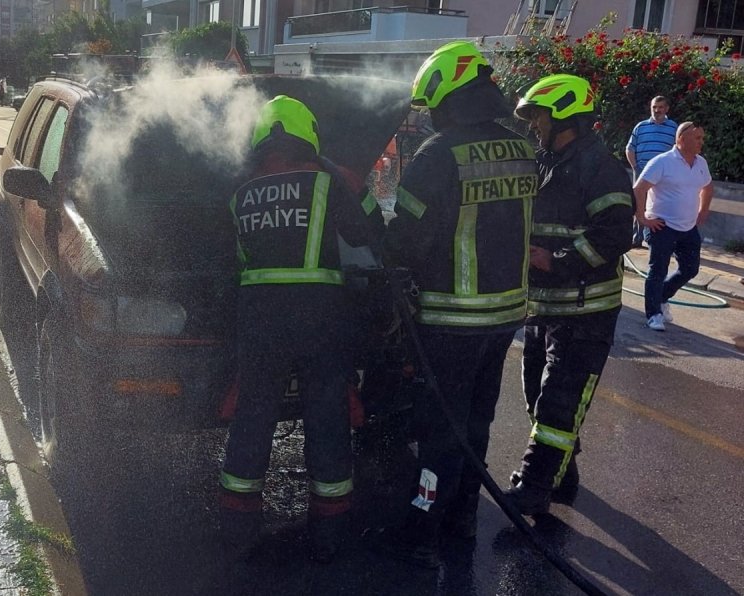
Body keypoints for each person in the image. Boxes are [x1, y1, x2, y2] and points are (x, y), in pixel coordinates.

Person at [373, 41, 537, 567]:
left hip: (451, 320)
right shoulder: (521, 148)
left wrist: (379, 243)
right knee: (478, 423)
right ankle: (463, 517)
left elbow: (408, 239)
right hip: (505, 316)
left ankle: (422, 523)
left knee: (439, 428)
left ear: (448, 95)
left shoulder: (438, 155)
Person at [219, 95, 370, 563]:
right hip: (322, 320)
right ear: (309, 135)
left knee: (253, 418)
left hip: (260, 322)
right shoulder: (331, 180)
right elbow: (368, 231)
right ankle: (331, 529)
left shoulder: (240, 192)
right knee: (326, 417)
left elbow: (237, 261)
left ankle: (238, 524)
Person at [505, 74, 633, 515]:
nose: (533, 125)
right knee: (537, 395)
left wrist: (557, 261)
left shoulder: (601, 167)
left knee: (559, 399)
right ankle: (563, 474)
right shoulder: (545, 162)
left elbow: (615, 234)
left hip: (587, 310)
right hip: (543, 306)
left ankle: (536, 485)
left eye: (538, 115)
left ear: (564, 115)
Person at [634, 122, 714, 331]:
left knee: (690, 269)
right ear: (681, 139)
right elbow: (639, 189)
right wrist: (642, 218)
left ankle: (661, 297)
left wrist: (703, 210)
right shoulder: (662, 162)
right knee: (657, 271)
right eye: (697, 138)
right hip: (662, 226)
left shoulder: (700, 163)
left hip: (688, 228)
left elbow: (708, 186)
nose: (701, 142)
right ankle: (653, 315)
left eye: (702, 138)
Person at [626, 96, 677, 248]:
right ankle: (637, 237)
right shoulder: (641, 127)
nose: (657, 110)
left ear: (666, 109)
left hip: (664, 174)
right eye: (654, 107)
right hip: (642, 171)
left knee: (662, 204)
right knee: (639, 204)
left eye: (660, 107)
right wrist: (635, 167)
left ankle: (660, 239)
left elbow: (678, 150)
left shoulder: (674, 128)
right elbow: (630, 148)